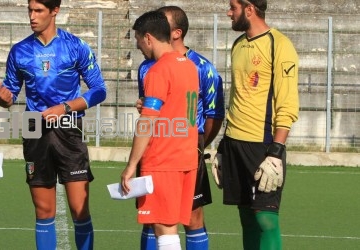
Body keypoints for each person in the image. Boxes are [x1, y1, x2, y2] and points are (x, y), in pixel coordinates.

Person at [0, 0, 107, 249]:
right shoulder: (19, 51)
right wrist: (4, 99)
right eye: (30, 10)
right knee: (44, 211)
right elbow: (10, 94)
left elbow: (100, 90)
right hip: (34, 126)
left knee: (79, 210)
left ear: (54, 11)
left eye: (38, 11)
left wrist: (65, 107)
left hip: (69, 126)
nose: (32, 17)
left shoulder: (76, 46)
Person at [135, 6, 225, 250]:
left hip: (186, 146)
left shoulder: (202, 67)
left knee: (192, 217)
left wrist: (199, 143)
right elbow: (153, 109)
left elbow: (214, 114)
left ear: (176, 32)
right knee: (151, 215)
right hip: (156, 145)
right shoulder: (147, 66)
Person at [213, 0, 299, 249]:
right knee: (246, 218)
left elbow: (287, 102)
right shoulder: (238, 44)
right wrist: (223, 144)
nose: (229, 13)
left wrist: (276, 151)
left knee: (266, 218)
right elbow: (237, 98)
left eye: (233, 7)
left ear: (249, 9)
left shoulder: (279, 45)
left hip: (262, 144)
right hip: (234, 143)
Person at [120, 10, 199, 250]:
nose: (139, 47)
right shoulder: (189, 66)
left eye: (138, 41)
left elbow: (147, 122)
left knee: (164, 229)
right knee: (171, 226)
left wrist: (132, 165)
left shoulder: (157, 71)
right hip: (186, 158)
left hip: (163, 161)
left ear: (148, 38)